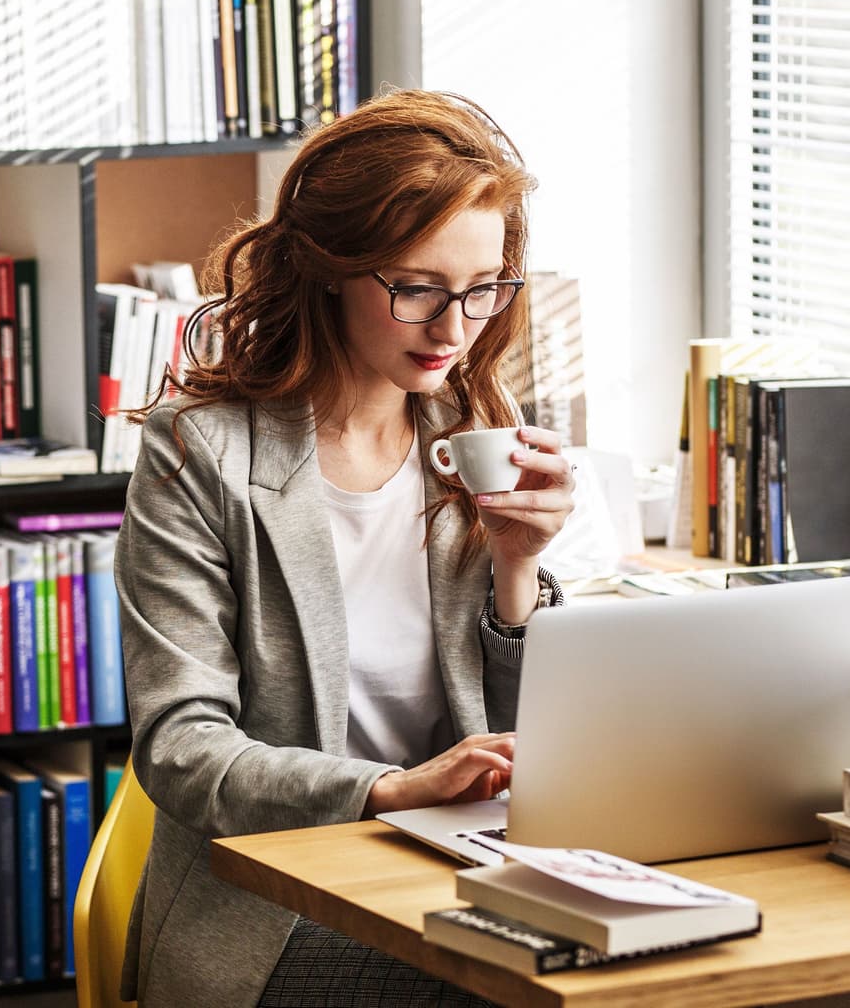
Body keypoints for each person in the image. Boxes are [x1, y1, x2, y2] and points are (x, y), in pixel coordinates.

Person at [115, 89, 576, 1008]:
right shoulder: (201, 450)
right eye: (417, 288)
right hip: (276, 900)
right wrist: (390, 790)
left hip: (463, 870)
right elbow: (180, 748)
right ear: (329, 269)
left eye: (483, 289)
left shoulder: (476, 425)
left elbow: (529, 737)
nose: (454, 329)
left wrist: (519, 568)